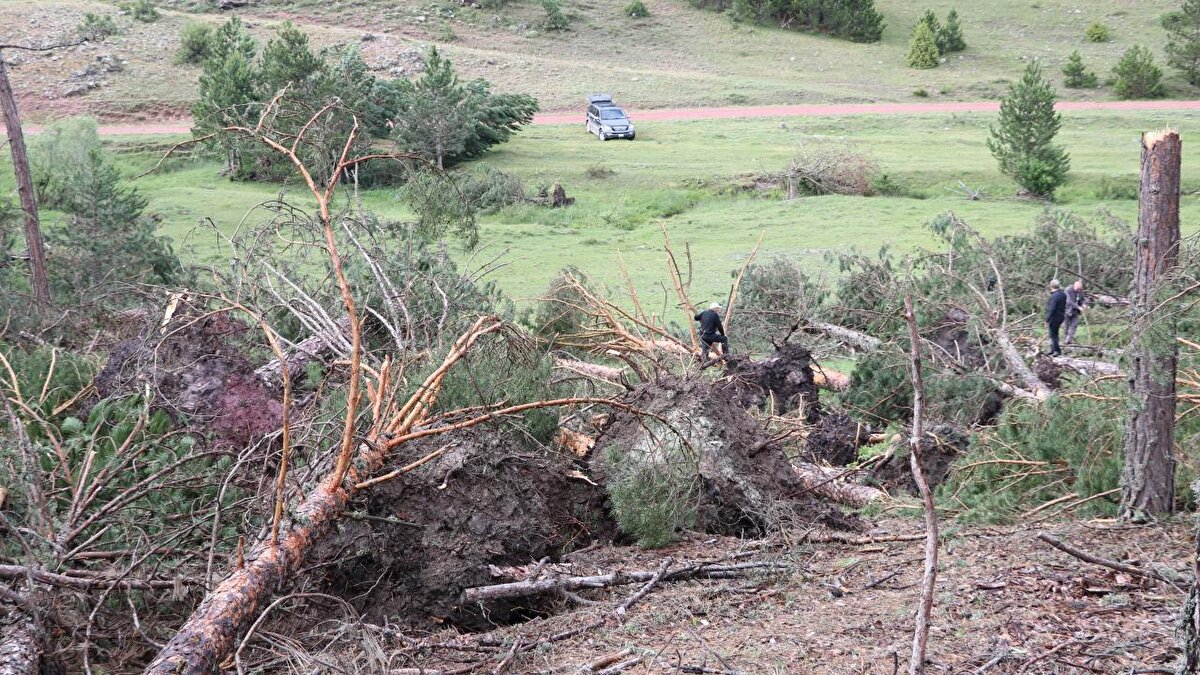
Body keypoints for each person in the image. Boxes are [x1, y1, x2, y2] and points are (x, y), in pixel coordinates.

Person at [1045, 279, 1067, 357]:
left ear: (1051, 286)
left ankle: (1056, 350)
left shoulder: (1054, 296)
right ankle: (1053, 349)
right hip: (1061, 316)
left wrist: (1047, 319)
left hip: (1054, 317)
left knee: (1053, 334)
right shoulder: (1063, 294)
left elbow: (1052, 308)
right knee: (1054, 333)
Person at [1064, 279, 1087, 345]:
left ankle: (1068, 339)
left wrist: (1083, 304)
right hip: (1067, 310)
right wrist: (1078, 307)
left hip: (1075, 311)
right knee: (1066, 326)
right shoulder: (1068, 290)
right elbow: (1069, 301)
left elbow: (1082, 300)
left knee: (1074, 325)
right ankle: (1066, 340)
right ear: (1074, 286)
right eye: (1078, 289)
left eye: (1080, 289)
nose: (1079, 291)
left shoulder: (1080, 291)